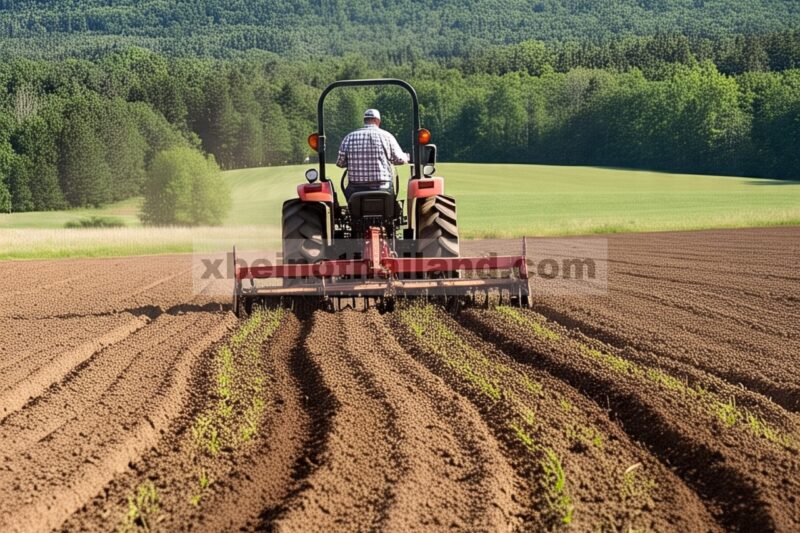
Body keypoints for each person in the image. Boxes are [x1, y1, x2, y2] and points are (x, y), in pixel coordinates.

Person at [336, 108, 409, 199]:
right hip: (383, 189)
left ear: (365, 120)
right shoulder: (387, 136)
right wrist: (407, 157)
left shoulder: (349, 137)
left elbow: (340, 163)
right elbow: (400, 159)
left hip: (355, 190)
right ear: (377, 120)